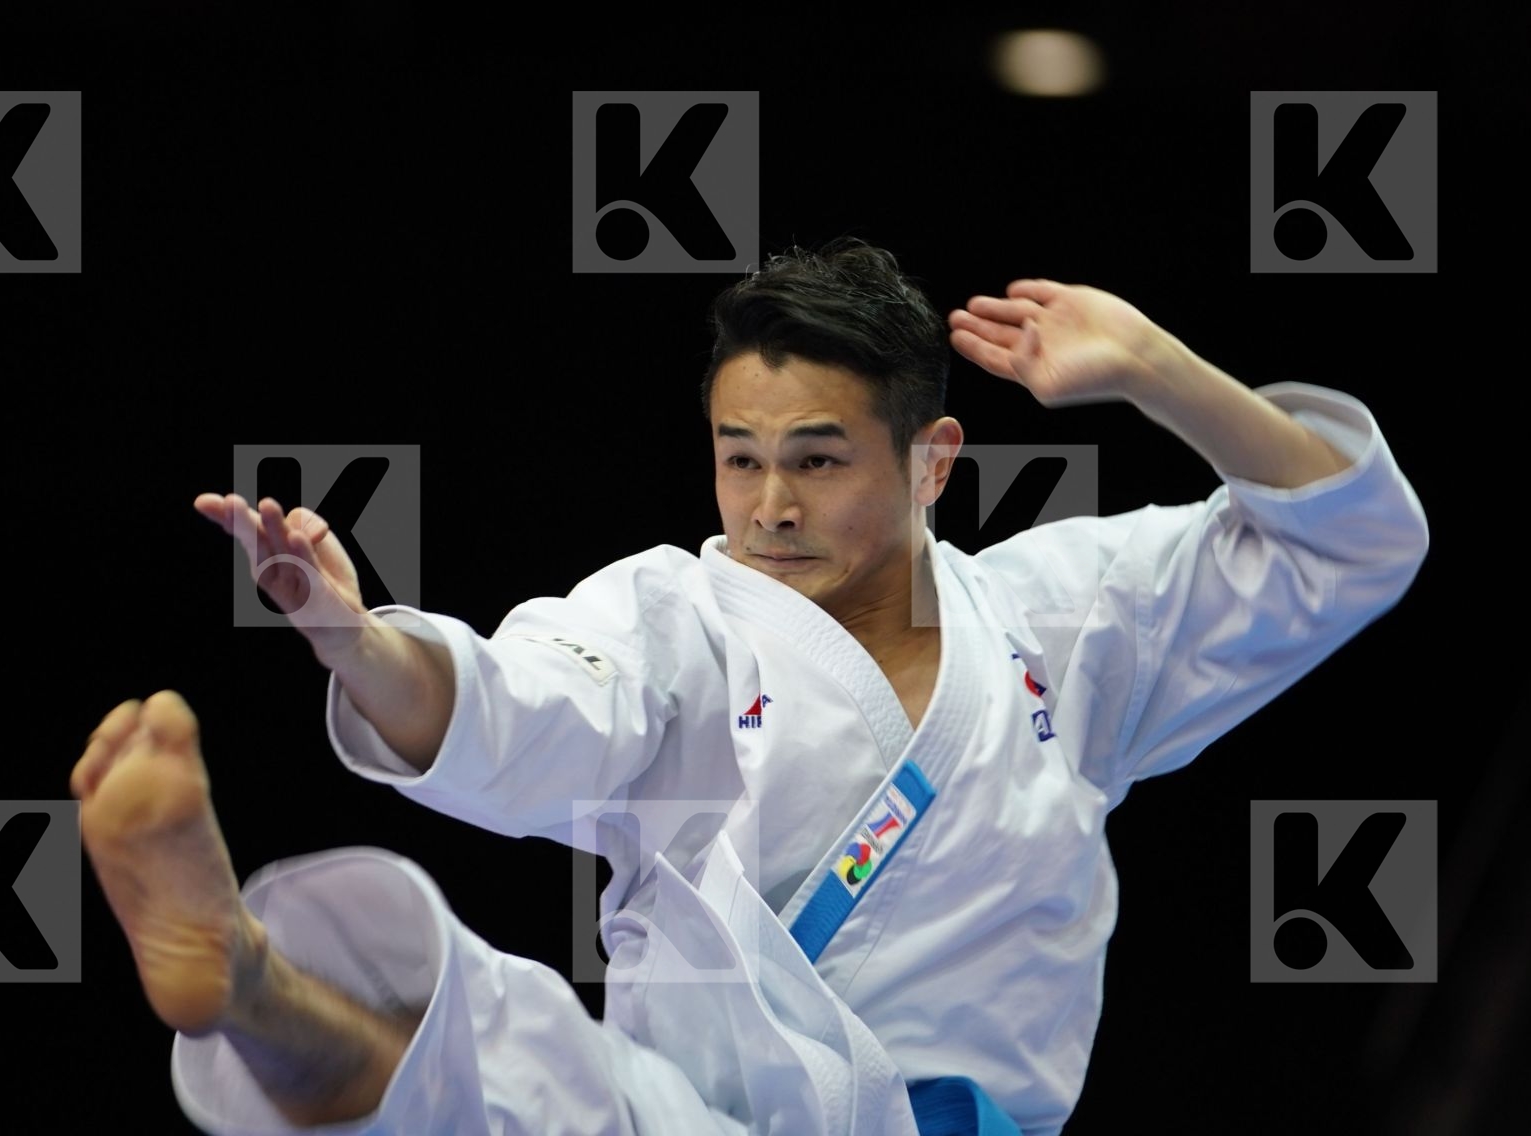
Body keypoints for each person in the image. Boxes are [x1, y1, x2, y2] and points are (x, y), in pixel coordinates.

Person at [71, 238, 1429, 1135]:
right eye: (740, 456)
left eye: (821, 459)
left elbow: (1353, 540)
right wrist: (356, 643)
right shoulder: (679, 618)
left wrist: (1157, 371)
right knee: (505, 1056)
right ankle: (244, 976)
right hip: (692, 1118)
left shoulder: (1062, 622)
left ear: (932, 458)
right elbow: (523, 705)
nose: (770, 505)